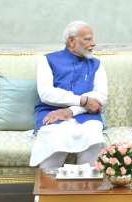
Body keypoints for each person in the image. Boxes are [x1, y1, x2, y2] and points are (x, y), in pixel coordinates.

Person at [29, 21, 107, 171]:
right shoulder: (47, 60)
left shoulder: (97, 64)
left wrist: (70, 111)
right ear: (72, 41)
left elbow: (100, 97)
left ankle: (86, 188)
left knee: (93, 137)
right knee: (56, 137)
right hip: (51, 114)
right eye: (87, 39)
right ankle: (49, 189)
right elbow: (46, 93)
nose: (93, 43)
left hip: (87, 116)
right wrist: (82, 100)